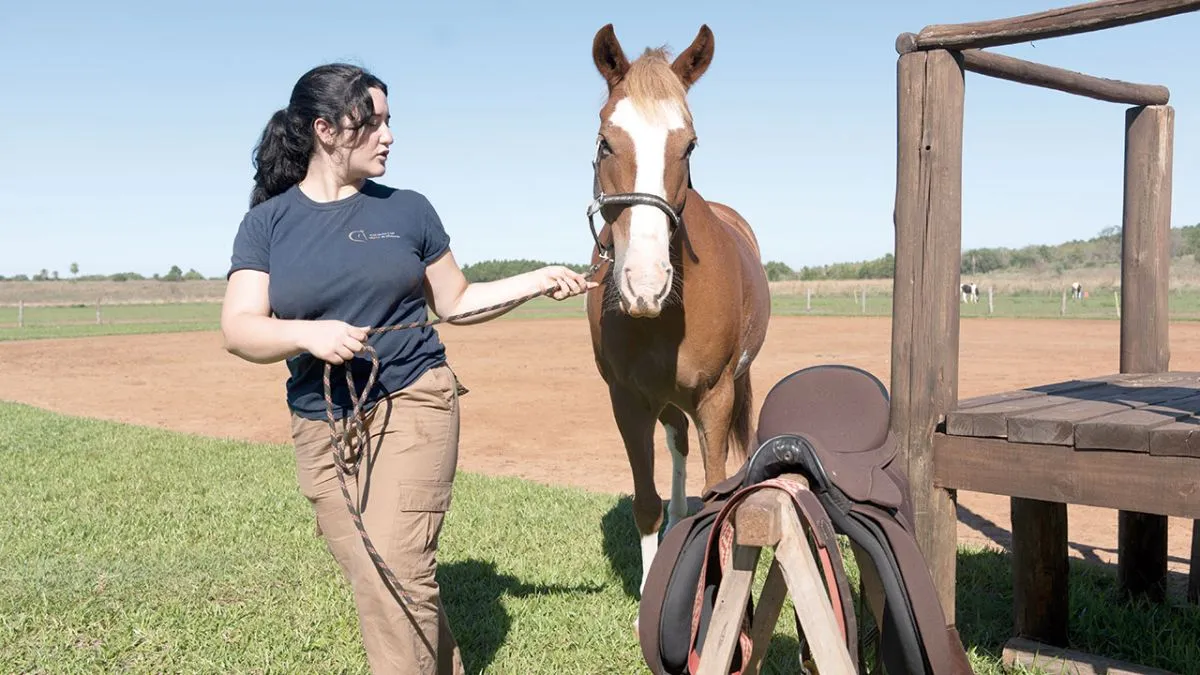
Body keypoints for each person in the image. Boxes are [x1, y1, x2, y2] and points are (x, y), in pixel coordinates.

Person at [219, 62, 596, 674]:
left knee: (396, 567)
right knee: (374, 576)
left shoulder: (409, 211)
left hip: (413, 397)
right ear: (325, 130)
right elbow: (239, 327)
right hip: (321, 420)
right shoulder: (267, 223)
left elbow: (456, 302)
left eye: (389, 121)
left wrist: (536, 279)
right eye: (372, 122)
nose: (388, 135)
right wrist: (308, 334)